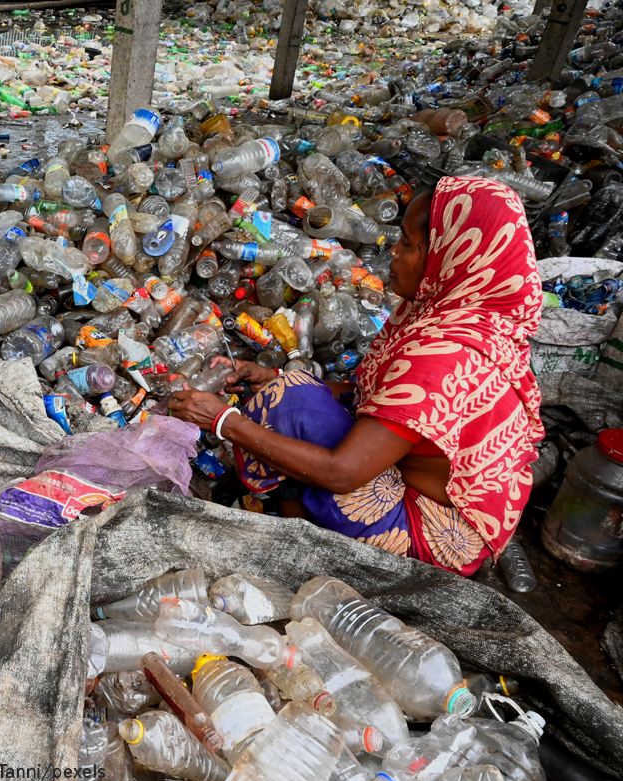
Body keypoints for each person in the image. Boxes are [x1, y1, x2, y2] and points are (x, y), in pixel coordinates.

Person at [170, 175, 545, 575]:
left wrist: (224, 421)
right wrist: (270, 376)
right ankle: (292, 499)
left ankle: (296, 530)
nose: (393, 254)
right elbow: (379, 398)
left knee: (289, 408)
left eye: (407, 244)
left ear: (448, 256)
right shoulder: (463, 315)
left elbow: (342, 472)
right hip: (438, 493)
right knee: (291, 389)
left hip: (434, 539)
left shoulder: (446, 354)